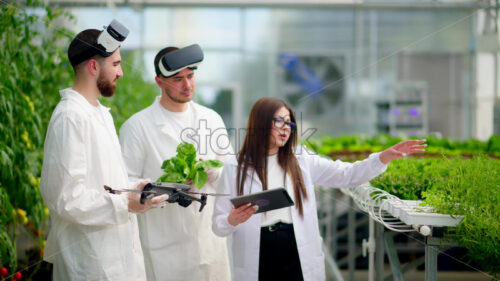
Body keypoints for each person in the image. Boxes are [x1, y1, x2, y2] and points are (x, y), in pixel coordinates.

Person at [212, 97, 427, 281]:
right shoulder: (235, 167)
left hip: (296, 245)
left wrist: (382, 158)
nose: (286, 127)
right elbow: (218, 225)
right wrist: (232, 220)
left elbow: (347, 174)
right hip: (258, 250)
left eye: (289, 123)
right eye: (279, 121)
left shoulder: (302, 158)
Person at [40, 20, 167, 281]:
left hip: (116, 256)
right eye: (116, 64)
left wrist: (136, 189)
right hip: (89, 262)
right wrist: (124, 203)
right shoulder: (70, 117)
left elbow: (104, 182)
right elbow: (66, 198)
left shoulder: (99, 114)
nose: (121, 73)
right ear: (93, 66)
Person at [119, 44, 233, 281]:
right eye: (178, 79)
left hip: (208, 243)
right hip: (163, 248)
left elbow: (231, 170)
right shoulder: (137, 126)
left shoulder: (211, 120)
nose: (187, 85)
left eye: (191, 76)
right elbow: (125, 184)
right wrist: (162, 186)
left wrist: (215, 172)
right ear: (159, 81)